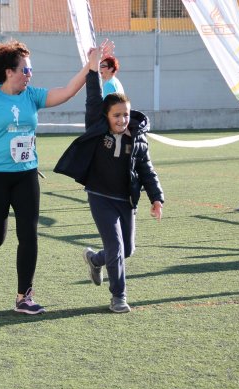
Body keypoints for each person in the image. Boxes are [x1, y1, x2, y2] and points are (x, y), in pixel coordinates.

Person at [0, 39, 113, 315]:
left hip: (26, 175)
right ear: (9, 71)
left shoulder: (31, 95)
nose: (29, 74)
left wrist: (89, 67)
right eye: (25, 70)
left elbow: (67, 92)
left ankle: (24, 297)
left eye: (30, 70)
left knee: (29, 235)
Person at [53, 46, 164, 313]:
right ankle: (119, 297)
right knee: (115, 246)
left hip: (126, 200)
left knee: (126, 250)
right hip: (100, 197)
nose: (122, 120)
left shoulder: (137, 137)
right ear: (106, 117)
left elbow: (146, 168)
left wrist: (157, 197)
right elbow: (93, 97)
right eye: (116, 115)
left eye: (125, 114)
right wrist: (92, 67)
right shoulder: (97, 126)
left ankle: (94, 259)